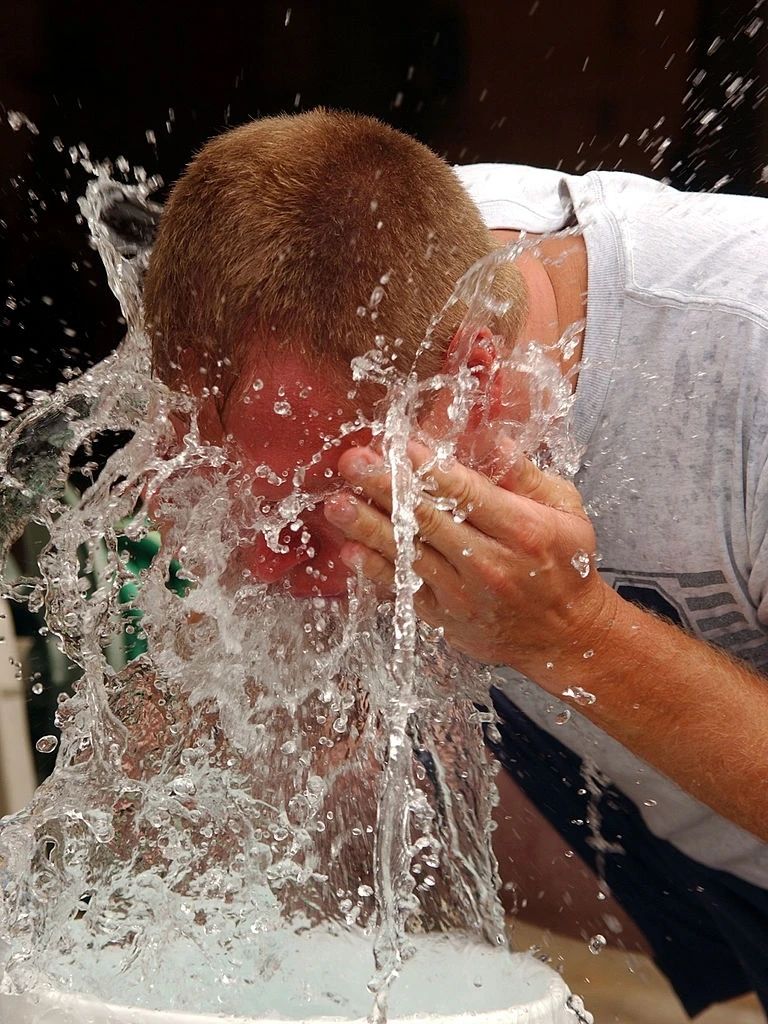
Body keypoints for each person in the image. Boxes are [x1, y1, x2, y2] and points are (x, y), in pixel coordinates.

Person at [143, 109, 768, 1017]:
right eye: (253, 501)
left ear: (468, 379)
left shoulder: (740, 366)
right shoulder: (340, 281)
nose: (272, 565)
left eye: (325, 502)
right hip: (662, 832)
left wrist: (577, 633)